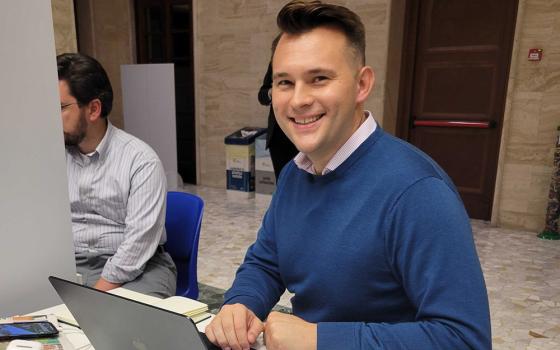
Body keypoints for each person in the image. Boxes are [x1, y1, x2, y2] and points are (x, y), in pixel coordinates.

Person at [205, 1, 491, 350]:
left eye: (319, 78)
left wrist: (319, 339)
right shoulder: (298, 172)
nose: (298, 100)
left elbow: (465, 340)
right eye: (284, 82)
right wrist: (242, 303)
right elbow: (267, 262)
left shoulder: (418, 192)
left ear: (361, 84)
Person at [57, 53, 177, 298]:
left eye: (60, 108)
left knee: (118, 326)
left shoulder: (140, 161)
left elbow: (138, 245)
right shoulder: (51, 157)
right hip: (71, 263)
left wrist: (93, 298)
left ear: (93, 109)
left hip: (138, 268)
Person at [258, 62, 299, 181]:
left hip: (302, 133)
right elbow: (262, 95)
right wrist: (271, 92)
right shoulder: (276, 61)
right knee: (282, 182)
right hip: (278, 136)